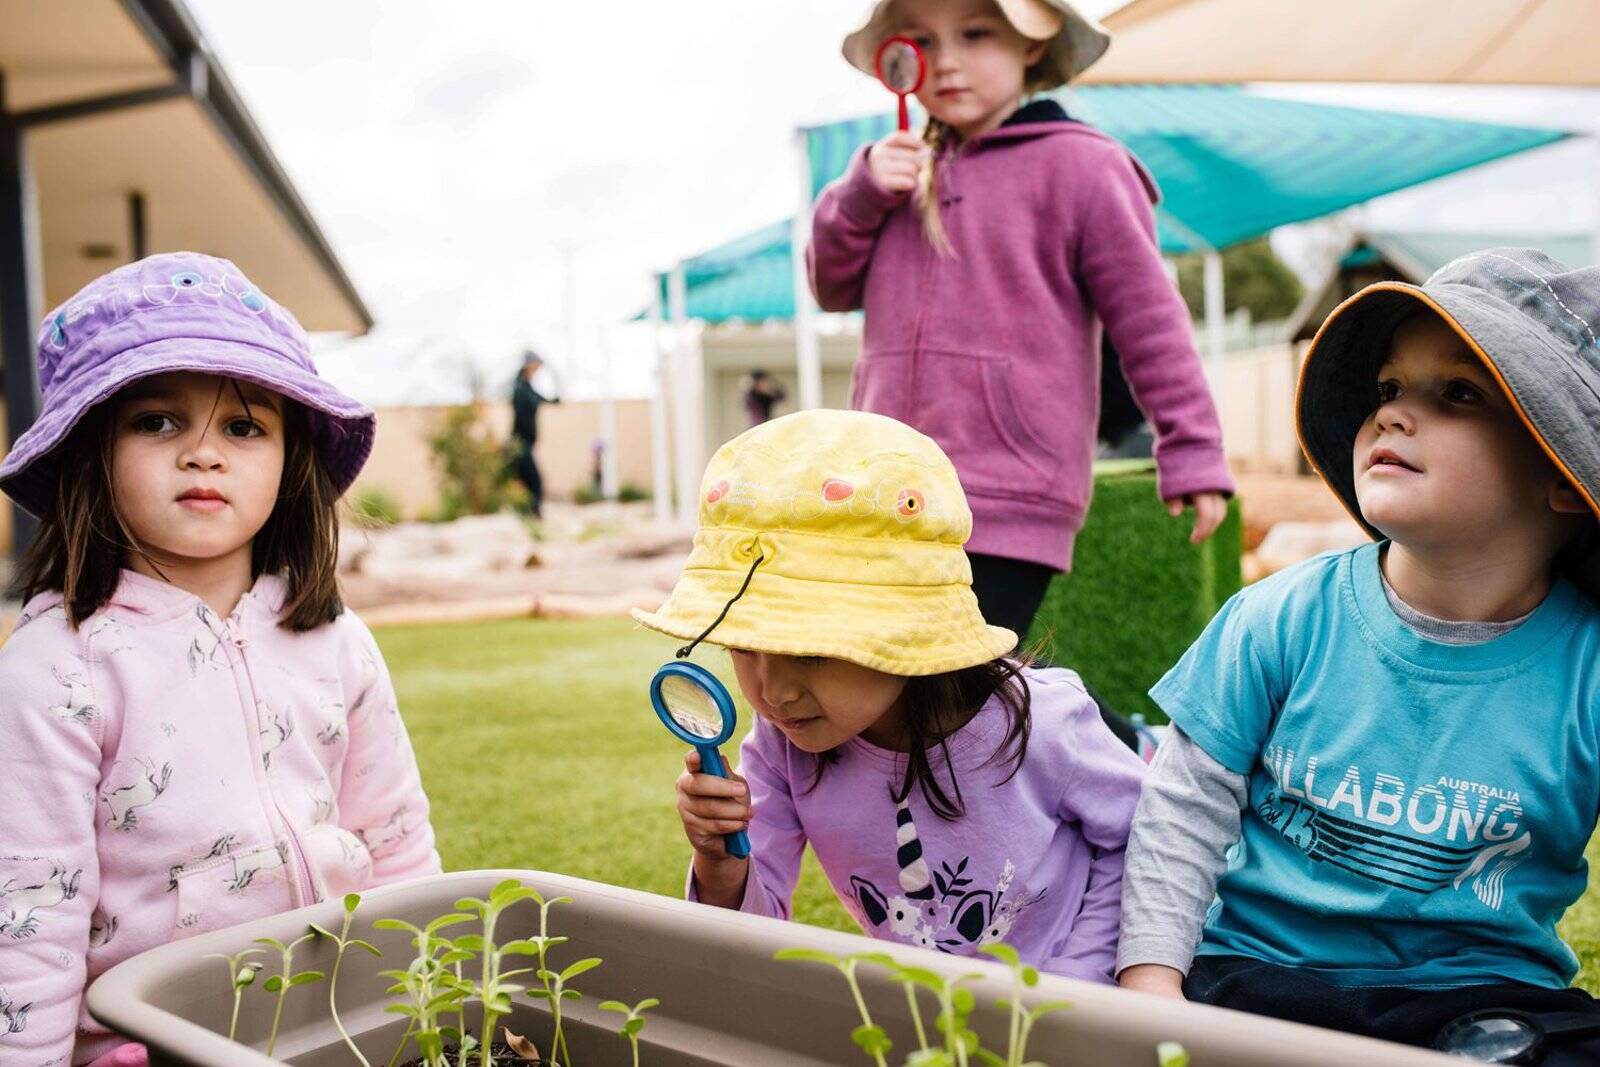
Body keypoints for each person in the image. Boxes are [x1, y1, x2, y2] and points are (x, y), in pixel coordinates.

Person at [1116, 249, 1600, 1062]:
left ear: (1561, 473)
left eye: (1458, 393)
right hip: (1259, 973)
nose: (1394, 415)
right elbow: (1184, 804)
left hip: (1480, 997)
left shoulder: (1585, 666)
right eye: (1388, 388)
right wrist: (1153, 985)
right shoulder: (1280, 618)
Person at [0, 253, 441, 1067]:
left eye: (244, 426)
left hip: (344, 1025)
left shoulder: (335, 640)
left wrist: (429, 1012)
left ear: (289, 458)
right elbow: (30, 917)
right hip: (153, 1046)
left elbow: (396, 840)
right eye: (157, 420)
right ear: (92, 450)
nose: (204, 453)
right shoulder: (55, 669)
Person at [636, 409, 1145, 980]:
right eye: (742, 647)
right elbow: (751, 934)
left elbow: (1145, 842)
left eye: (811, 653)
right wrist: (716, 857)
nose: (773, 693)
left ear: (908, 629)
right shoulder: (779, 747)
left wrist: (1080, 980)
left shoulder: (1041, 720)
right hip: (925, 1017)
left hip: (1069, 1008)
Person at [808, 0, 1234, 642]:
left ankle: (1121, 744)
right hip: (886, 484)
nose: (948, 61)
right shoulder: (891, 175)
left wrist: (1193, 449)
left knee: (954, 681)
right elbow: (830, 286)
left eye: (977, 34)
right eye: (923, 40)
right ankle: (1119, 742)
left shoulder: (1084, 166)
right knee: (906, 688)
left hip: (1011, 490)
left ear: (1033, 46)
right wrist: (862, 193)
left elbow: (1149, 322)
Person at [510, 350, 559, 518]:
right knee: (534, 481)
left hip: (527, 443)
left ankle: (529, 515)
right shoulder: (520, 388)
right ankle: (532, 515)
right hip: (520, 444)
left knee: (528, 482)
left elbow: (551, 401)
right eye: (536, 366)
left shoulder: (528, 388)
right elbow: (525, 412)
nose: (538, 370)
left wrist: (556, 380)